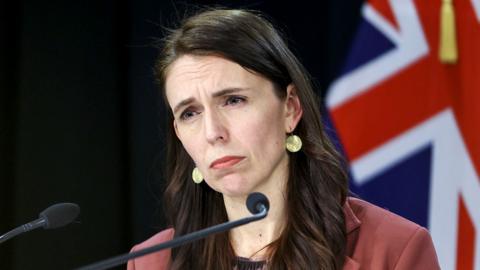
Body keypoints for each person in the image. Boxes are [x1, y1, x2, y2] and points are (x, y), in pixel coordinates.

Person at [127, 8, 440, 270]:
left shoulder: (395, 250)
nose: (213, 133)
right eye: (189, 113)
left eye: (233, 100)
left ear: (290, 108)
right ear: (179, 134)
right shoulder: (150, 262)